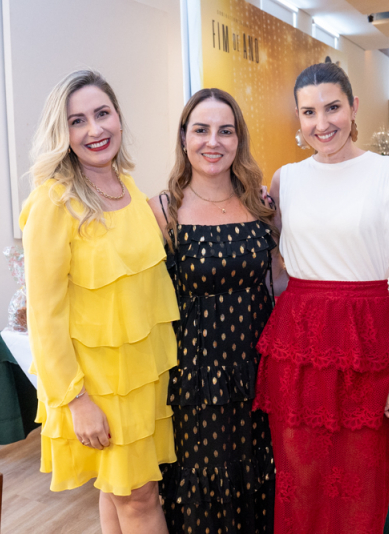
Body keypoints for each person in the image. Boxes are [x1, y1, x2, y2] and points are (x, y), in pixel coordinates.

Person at [254, 61, 389, 533]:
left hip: (367, 345)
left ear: (353, 107)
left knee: (361, 483)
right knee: (299, 480)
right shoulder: (285, 179)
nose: (322, 123)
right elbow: (273, 264)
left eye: (332, 108)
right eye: (309, 112)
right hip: (299, 345)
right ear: (297, 117)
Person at [20, 69, 177, 534]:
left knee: (119, 490)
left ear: (118, 117)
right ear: (62, 134)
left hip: (141, 375)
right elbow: (44, 316)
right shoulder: (54, 202)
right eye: (78, 121)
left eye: (102, 113)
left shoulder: (127, 188)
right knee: (140, 498)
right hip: (97, 385)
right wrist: (77, 401)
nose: (95, 130)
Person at [148, 89, 276, 534]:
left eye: (226, 131)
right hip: (196, 378)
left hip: (256, 370)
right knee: (205, 483)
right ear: (184, 137)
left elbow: (279, 281)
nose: (213, 142)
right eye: (201, 130)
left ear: (239, 139)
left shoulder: (260, 204)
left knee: (257, 475)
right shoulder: (162, 210)